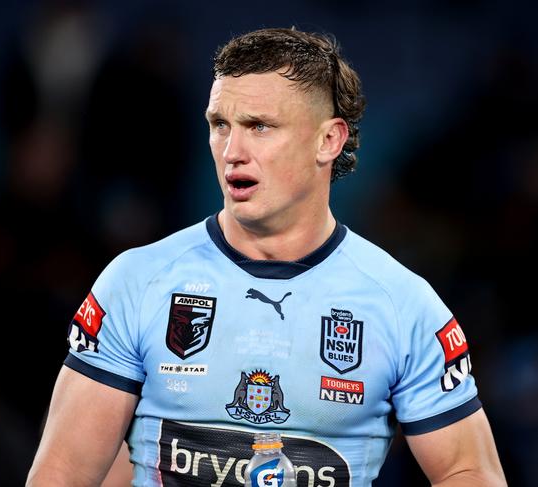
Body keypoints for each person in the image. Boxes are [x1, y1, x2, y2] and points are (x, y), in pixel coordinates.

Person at [26, 28, 506, 486]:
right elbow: (62, 474)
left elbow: (469, 473)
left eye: (259, 126)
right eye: (220, 125)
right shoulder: (136, 282)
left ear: (328, 140)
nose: (233, 151)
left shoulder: (404, 306)